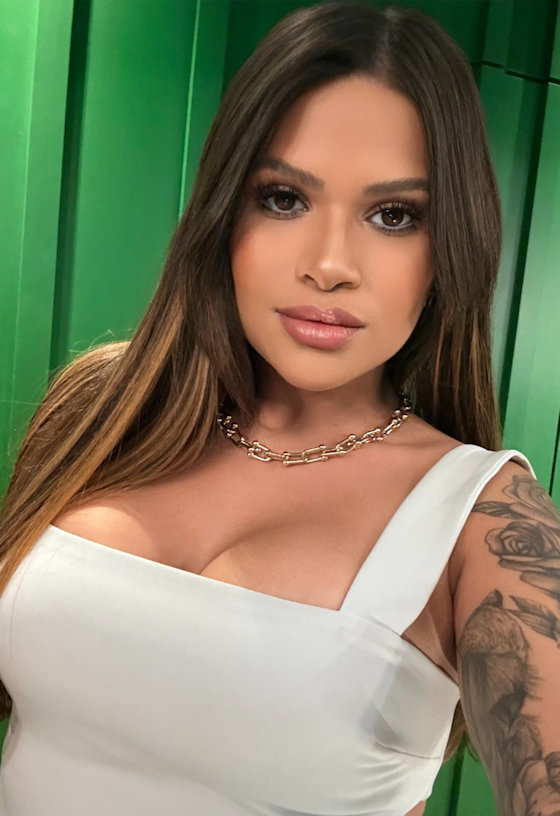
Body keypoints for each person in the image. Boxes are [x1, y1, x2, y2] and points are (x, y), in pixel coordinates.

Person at [0, 1, 558, 814]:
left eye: (394, 216)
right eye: (284, 198)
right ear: (225, 210)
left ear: (450, 250)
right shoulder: (102, 409)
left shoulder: (486, 525)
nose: (329, 265)